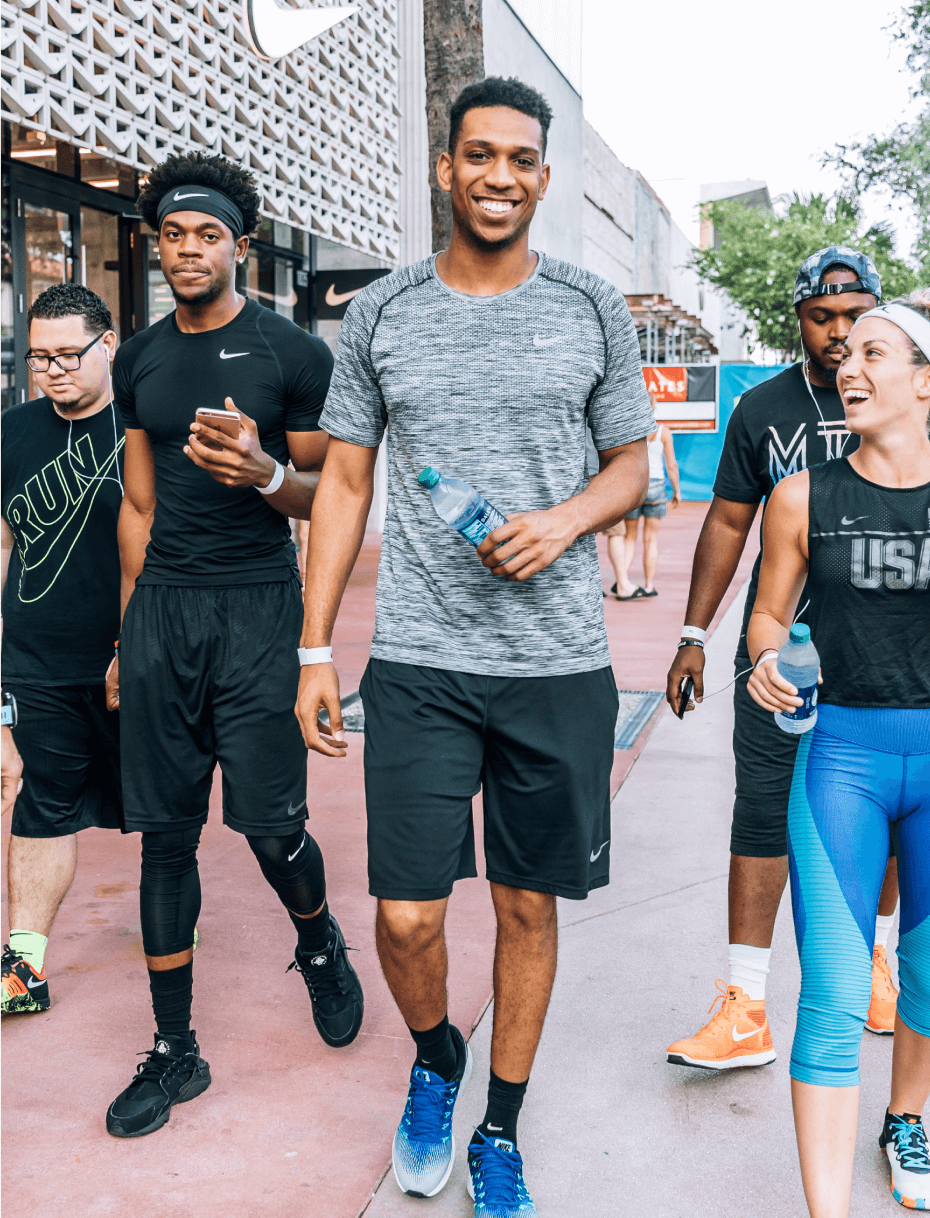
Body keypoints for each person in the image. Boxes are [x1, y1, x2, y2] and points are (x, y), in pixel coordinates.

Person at [296, 77, 653, 1217]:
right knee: (406, 915)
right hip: (420, 662)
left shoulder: (592, 306)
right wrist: (314, 649)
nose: (501, 176)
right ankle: (435, 1060)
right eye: (480, 155)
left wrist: (565, 521)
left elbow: (633, 466)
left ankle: (499, 1125)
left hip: (556, 667)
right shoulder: (383, 311)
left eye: (522, 159)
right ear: (445, 168)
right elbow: (344, 481)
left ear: (544, 178)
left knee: (526, 907)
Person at [103, 151, 363, 1140]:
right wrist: (128, 634)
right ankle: (175, 1049)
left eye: (207, 234)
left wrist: (263, 473)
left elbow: (332, 494)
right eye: (173, 235)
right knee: (165, 837)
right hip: (165, 615)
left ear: (240, 247)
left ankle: (319, 942)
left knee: (269, 828)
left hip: (259, 609)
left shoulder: (291, 356)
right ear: (157, 247)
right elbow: (138, 506)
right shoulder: (138, 359)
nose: (188, 249)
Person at [664, 247, 901, 1070]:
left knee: (890, 817)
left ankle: (876, 964)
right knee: (762, 812)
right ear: (798, 319)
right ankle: (746, 1005)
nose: (838, 332)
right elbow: (728, 523)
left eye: (855, 316)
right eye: (821, 316)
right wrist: (694, 636)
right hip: (781, 649)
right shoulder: (765, 408)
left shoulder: (909, 398)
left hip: (886, 652)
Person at [745, 292, 930, 1216]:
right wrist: (765, 659)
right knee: (833, 991)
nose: (849, 366)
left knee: (928, 982)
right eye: (845, 353)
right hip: (842, 761)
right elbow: (767, 614)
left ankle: (907, 1119)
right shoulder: (803, 495)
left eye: (875, 353)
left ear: (925, 382)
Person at [0, 284, 124, 1015]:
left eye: (68, 355)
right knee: (42, 805)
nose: (52, 371)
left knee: (162, 807)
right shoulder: (11, 433)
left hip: (136, 659)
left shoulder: (146, 427)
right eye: (39, 357)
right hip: (37, 663)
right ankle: (23, 967)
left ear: (108, 345)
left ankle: (173, 914)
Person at [607, 408, 680, 599]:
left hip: (635, 485)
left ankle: (622, 580)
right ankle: (649, 585)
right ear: (654, 408)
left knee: (629, 537)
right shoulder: (663, 432)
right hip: (656, 486)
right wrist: (677, 490)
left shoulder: (630, 431)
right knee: (651, 539)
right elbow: (671, 465)